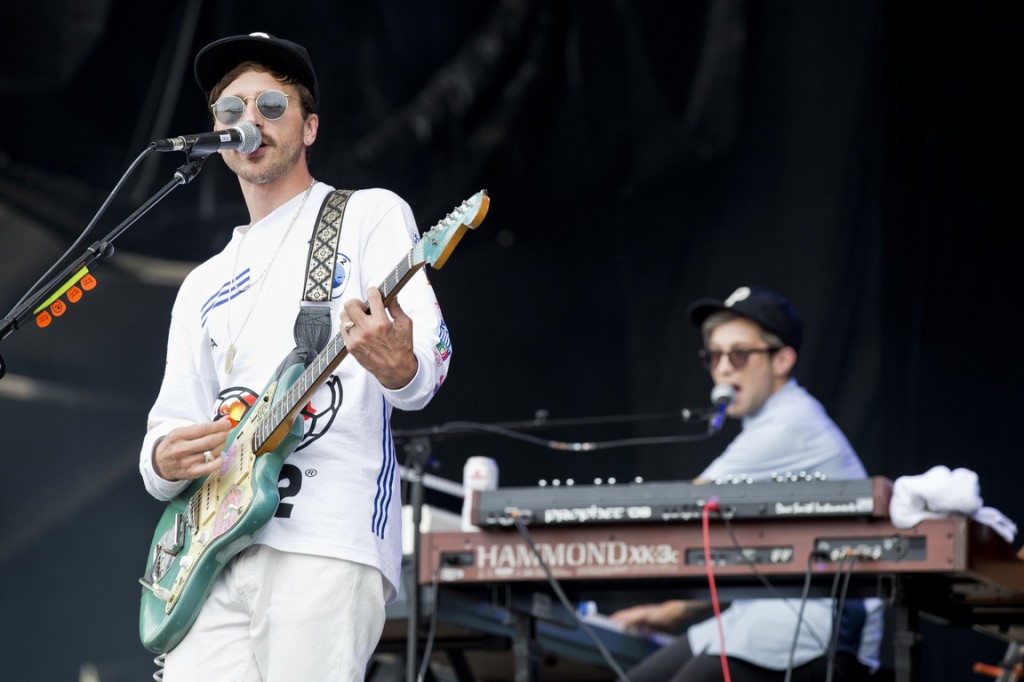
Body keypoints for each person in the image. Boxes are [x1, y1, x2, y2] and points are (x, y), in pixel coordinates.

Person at [138, 32, 452, 681]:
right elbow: (167, 427)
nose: (248, 121)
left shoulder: (364, 216)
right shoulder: (202, 282)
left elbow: (426, 362)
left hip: (325, 538)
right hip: (212, 554)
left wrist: (400, 363)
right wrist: (163, 459)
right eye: (231, 110)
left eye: (271, 106)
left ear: (308, 126)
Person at [610, 286, 883, 682]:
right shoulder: (771, 422)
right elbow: (761, 566)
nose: (723, 368)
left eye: (738, 354)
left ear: (782, 360)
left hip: (816, 636)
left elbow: (680, 505)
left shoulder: (790, 424)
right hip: (752, 619)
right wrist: (673, 612)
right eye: (714, 356)